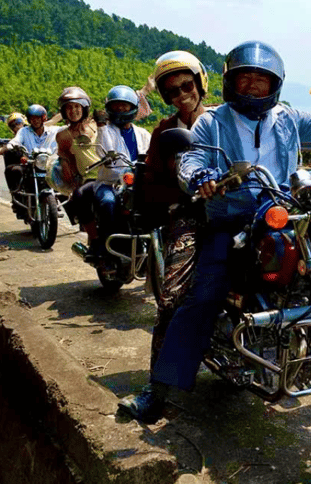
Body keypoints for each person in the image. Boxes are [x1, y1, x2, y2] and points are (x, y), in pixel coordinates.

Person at [118, 40, 311, 422]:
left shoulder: (286, 119)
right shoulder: (212, 121)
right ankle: (159, 389)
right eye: (245, 80)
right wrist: (202, 177)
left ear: (275, 84)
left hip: (284, 214)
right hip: (231, 220)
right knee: (201, 296)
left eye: (261, 80)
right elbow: (191, 158)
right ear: (230, 83)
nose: (253, 87)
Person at [143, 50, 209, 371]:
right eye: (173, 91)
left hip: (234, 211)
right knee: (172, 297)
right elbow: (151, 181)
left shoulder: (223, 120)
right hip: (189, 217)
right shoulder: (163, 131)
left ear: (200, 82)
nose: (182, 95)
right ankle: (159, 382)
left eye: (187, 86)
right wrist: (181, 198)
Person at [74, 85, 150, 260]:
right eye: (116, 106)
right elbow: (104, 151)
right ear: (109, 108)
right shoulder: (106, 130)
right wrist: (100, 126)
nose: (121, 109)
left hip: (136, 183)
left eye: (125, 105)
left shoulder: (143, 133)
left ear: (133, 108)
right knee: (108, 203)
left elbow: (151, 153)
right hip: (110, 184)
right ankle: (105, 248)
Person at [0, 105, 61, 203]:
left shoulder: (51, 129)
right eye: (13, 125)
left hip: (47, 162)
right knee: (14, 170)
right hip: (30, 165)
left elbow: (63, 127)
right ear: (29, 120)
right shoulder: (23, 132)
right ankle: (17, 197)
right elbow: (10, 145)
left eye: (18, 122)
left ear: (43, 119)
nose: (16, 126)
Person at [55, 86, 99, 228]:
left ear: (84, 107)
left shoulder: (97, 123)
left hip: (115, 172)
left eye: (77, 106)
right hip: (91, 177)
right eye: (69, 107)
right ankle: (93, 241)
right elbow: (67, 163)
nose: (73, 111)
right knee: (81, 198)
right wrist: (73, 184)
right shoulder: (63, 136)